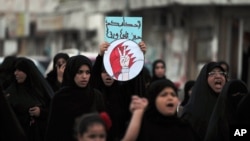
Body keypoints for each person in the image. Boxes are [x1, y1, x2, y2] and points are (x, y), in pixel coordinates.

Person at [90, 41, 147, 141]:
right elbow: (93, 75)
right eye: (104, 72)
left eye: (111, 71)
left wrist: (139, 54)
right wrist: (100, 55)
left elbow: (134, 79)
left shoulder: (123, 92)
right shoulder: (95, 92)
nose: (108, 75)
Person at [45, 55, 106, 141]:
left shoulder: (96, 95)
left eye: (87, 72)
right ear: (71, 73)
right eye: (80, 72)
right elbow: (53, 130)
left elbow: (103, 125)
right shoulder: (60, 98)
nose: (84, 76)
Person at [122, 79, 199, 141]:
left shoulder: (184, 128)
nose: (170, 98)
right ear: (153, 100)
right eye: (163, 95)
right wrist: (138, 112)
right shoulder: (141, 127)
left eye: (173, 94)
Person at [4, 57, 53, 141]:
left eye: (19, 70)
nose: (16, 73)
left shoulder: (40, 90)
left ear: (28, 72)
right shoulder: (11, 92)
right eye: (15, 70)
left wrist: (41, 112)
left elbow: (53, 111)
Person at [181, 62, 227, 140]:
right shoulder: (191, 111)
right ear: (204, 79)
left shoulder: (228, 105)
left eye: (221, 73)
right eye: (212, 73)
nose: (218, 76)